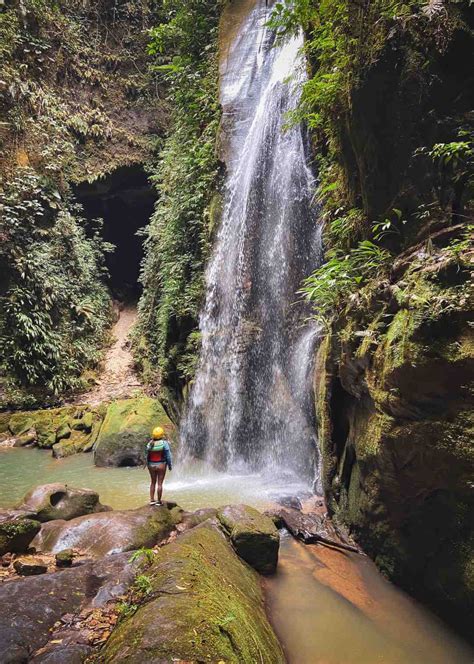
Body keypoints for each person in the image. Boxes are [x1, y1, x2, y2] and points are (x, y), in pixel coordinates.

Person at [146, 426, 172, 506]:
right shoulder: (164, 443)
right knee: (160, 484)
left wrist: (147, 464)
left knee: (153, 482)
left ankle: (152, 500)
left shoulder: (149, 443)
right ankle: (159, 501)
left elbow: (147, 454)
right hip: (161, 465)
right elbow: (168, 456)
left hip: (151, 465)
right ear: (162, 435)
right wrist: (170, 465)